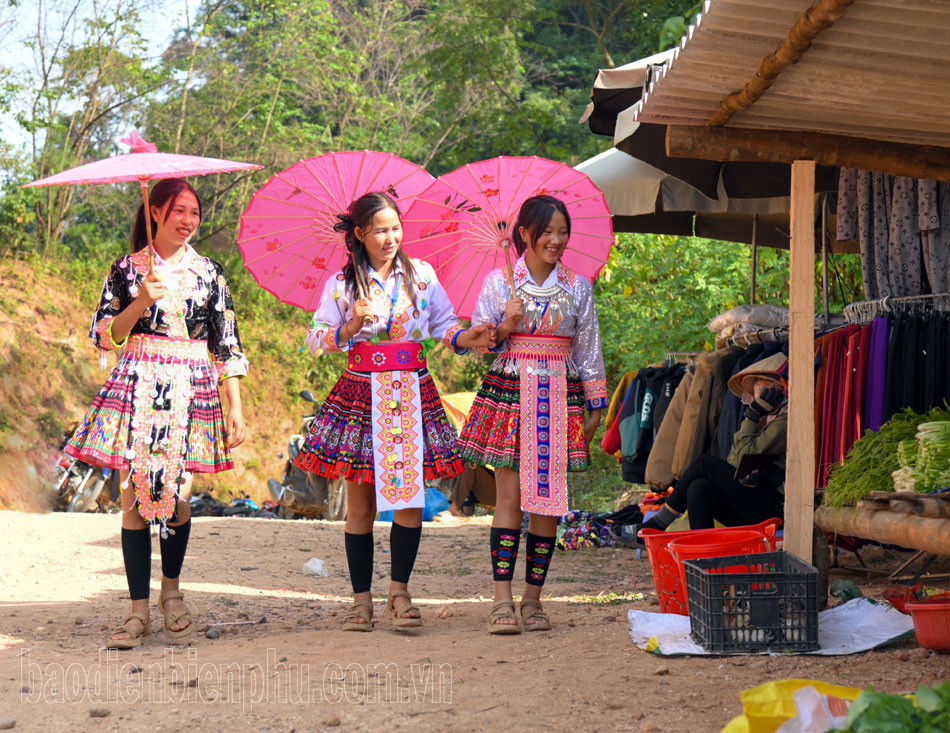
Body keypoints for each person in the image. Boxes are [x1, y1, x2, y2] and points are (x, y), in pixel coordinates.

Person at [295, 191, 494, 631]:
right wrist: (349, 325)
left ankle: (399, 593)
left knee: (408, 496)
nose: (391, 237)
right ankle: (360, 601)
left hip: (409, 391)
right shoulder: (343, 285)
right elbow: (315, 340)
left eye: (396, 228)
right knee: (361, 501)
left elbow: (445, 328)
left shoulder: (420, 276)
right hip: (361, 393)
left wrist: (471, 337)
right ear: (360, 234)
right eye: (381, 229)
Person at [66, 178, 248, 648]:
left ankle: (171, 591)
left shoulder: (210, 273)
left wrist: (236, 409)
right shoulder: (127, 271)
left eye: (194, 212)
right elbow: (105, 334)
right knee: (133, 497)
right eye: (179, 211)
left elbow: (227, 347)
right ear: (156, 213)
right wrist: (141, 301)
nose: (188, 221)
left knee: (178, 493)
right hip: (139, 385)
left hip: (192, 388)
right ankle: (136, 611)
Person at [456, 195, 608, 634]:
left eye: (563, 232)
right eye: (548, 232)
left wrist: (594, 403)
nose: (556, 240)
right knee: (508, 497)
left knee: (549, 502)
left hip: (560, 394)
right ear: (524, 233)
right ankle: (501, 601)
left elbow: (589, 349)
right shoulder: (498, 284)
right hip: (511, 393)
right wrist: (504, 325)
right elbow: (479, 343)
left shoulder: (578, 287)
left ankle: (533, 600)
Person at [611, 353, 788, 543]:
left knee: (705, 463)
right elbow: (737, 461)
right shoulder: (766, 418)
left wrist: (751, 416)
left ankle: (658, 524)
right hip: (756, 502)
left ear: (779, 388)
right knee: (698, 488)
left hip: (776, 510)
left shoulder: (784, 419)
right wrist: (748, 478)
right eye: (757, 386)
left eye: (764, 386)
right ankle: (702, 558)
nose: (759, 392)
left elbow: (745, 453)